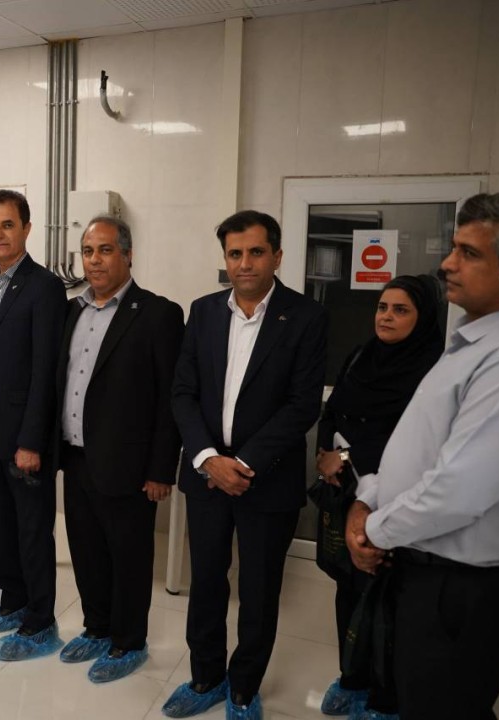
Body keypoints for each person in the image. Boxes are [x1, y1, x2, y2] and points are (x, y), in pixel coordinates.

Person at [346, 191, 499, 720]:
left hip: (465, 585)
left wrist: (374, 530)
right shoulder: (473, 344)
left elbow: (458, 490)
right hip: (432, 569)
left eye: (469, 253)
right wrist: (368, 498)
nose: (447, 264)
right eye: (453, 248)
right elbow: (422, 448)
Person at [167, 210, 327, 720]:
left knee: (258, 591)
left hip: (267, 479)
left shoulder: (305, 317)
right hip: (207, 476)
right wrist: (208, 459)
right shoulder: (204, 312)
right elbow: (183, 393)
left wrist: (243, 462)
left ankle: (243, 687)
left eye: (256, 252)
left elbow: (303, 405)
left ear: (277, 256)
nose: (244, 263)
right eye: (235, 253)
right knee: (206, 582)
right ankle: (205, 676)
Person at [57, 215, 184, 683]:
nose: (95, 260)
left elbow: (170, 399)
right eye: (88, 251)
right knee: (86, 549)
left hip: (128, 465)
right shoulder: (71, 312)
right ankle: (97, 627)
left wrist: (161, 470)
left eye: (106, 250)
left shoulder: (158, 314)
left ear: (128, 255)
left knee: (128, 557)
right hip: (75, 456)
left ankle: (129, 641)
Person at [315, 275, 443, 720]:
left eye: (400, 310)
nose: (386, 317)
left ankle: (387, 700)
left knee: (389, 599)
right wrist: (325, 455)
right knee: (348, 587)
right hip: (345, 491)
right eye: (383, 307)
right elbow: (333, 412)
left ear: (423, 318)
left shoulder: (433, 372)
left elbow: (411, 440)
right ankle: (352, 676)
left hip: (397, 499)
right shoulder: (360, 356)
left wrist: (348, 455)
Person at [0, 190, 66, 661]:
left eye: (7, 224)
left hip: (25, 439)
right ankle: (12, 601)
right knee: (1, 526)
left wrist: (31, 440)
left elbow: (46, 370)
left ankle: (40, 620)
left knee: (32, 532)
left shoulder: (44, 286)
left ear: (27, 228)